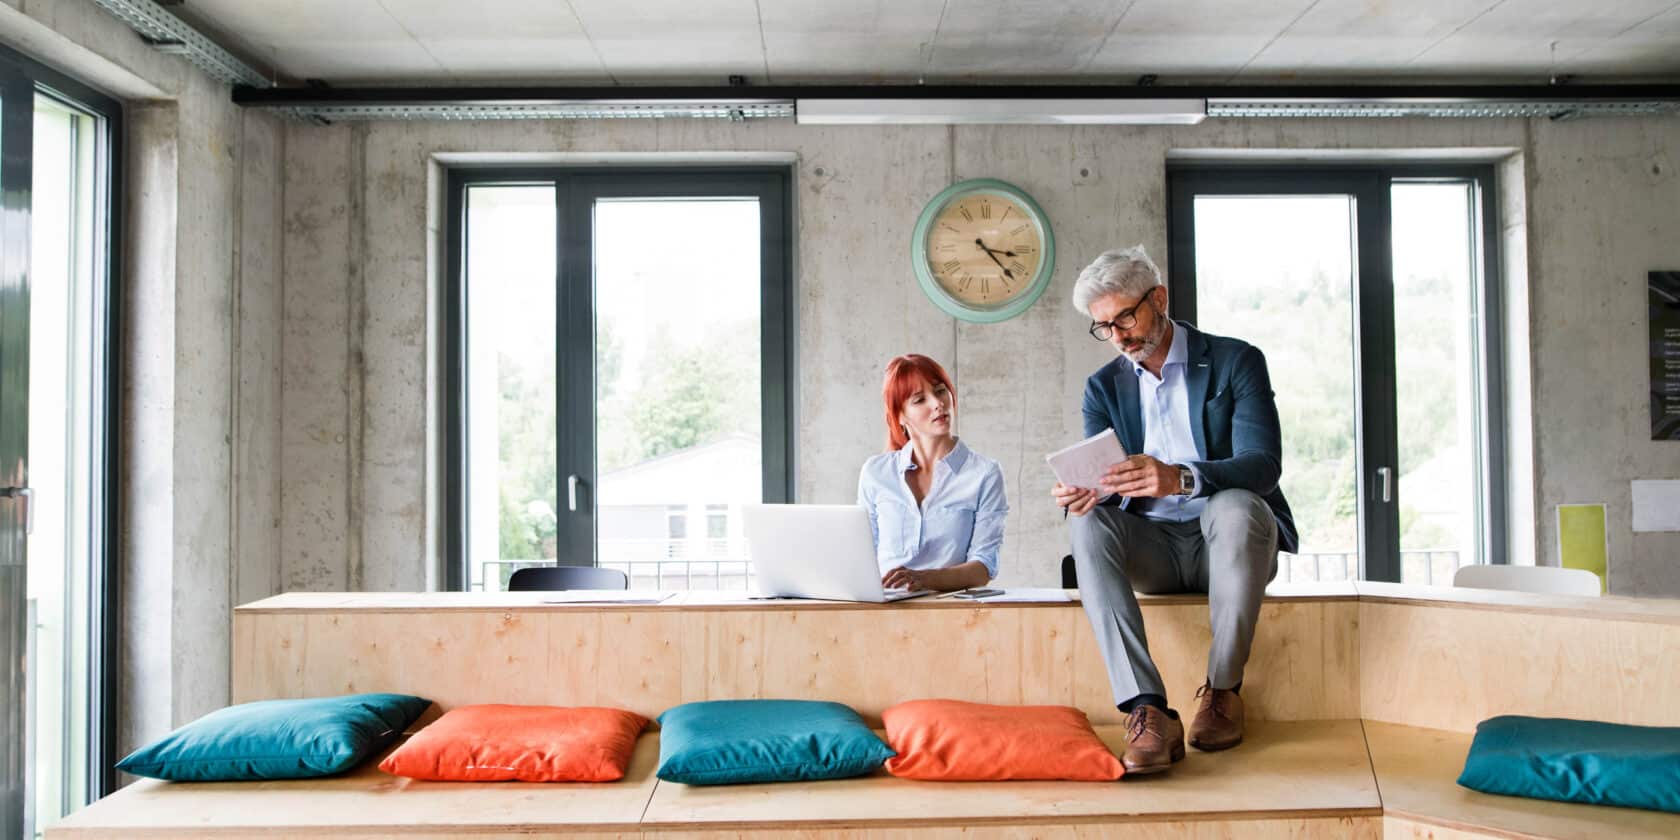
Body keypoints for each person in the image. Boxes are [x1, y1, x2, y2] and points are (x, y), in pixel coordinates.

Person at [1055, 245, 1298, 775]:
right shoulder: (1103, 387)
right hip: (1154, 550)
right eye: (1104, 326)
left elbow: (1263, 466)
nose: (1118, 335)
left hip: (1229, 543)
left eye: (1126, 316)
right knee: (1086, 520)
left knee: (1235, 504)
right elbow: (1111, 480)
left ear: (1159, 298)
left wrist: (1181, 476)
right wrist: (1090, 492)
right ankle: (1146, 708)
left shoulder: (1236, 360)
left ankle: (1223, 691)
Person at [857, 354, 1008, 593]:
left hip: (950, 612)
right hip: (883, 610)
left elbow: (983, 568)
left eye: (940, 391)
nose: (937, 403)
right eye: (919, 400)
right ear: (900, 417)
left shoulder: (984, 474)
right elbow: (861, 557)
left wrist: (925, 579)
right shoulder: (876, 472)